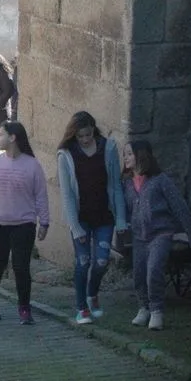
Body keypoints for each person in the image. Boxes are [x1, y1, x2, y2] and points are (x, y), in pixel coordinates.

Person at [0, 121, 49, 325]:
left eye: (2, 134)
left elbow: (41, 195)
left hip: (24, 224)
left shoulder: (32, 165)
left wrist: (45, 222)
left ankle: (24, 307)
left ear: (13, 138)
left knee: (21, 266)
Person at [56, 112, 127, 324]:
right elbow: (67, 194)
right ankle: (81, 308)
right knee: (83, 261)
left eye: (88, 135)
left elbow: (116, 185)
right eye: (81, 136)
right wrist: (75, 227)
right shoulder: (66, 155)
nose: (85, 140)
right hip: (81, 217)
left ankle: (92, 293)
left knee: (102, 261)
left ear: (94, 130)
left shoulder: (108, 148)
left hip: (104, 214)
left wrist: (121, 218)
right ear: (74, 135)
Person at [123, 141, 191, 331]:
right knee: (139, 275)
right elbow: (125, 209)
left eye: (129, 154)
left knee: (154, 271)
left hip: (160, 234)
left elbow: (179, 205)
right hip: (139, 236)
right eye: (125, 154)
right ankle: (144, 308)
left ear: (141, 155)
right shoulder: (127, 183)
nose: (125, 158)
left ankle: (156, 310)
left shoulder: (160, 180)